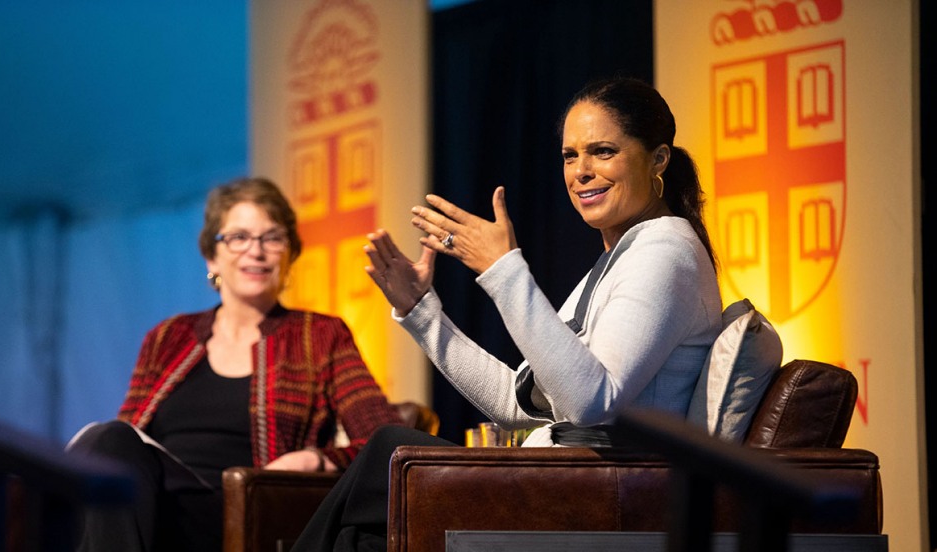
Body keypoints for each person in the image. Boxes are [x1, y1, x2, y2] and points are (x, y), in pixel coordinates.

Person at [290, 77, 724, 552]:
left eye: (602, 152)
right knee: (364, 536)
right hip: (574, 479)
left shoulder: (666, 248)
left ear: (658, 158)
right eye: (569, 156)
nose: (580, 171)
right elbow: (516, 404)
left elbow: (591, 403)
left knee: (388, 451)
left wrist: (503, 271)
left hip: (612, 492)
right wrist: (420, 313)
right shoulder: (619, 258)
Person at [67, 177, 404, 552]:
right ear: (212, 255)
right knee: (110, 443)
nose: (255, 251)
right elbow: (128, 433)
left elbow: (387, 443)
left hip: (248, 510)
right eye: (238, 237)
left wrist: (317, 460)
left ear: (289, 254)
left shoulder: (320, 336)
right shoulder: (168, 336)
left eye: (271, 238)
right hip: (157, 505)